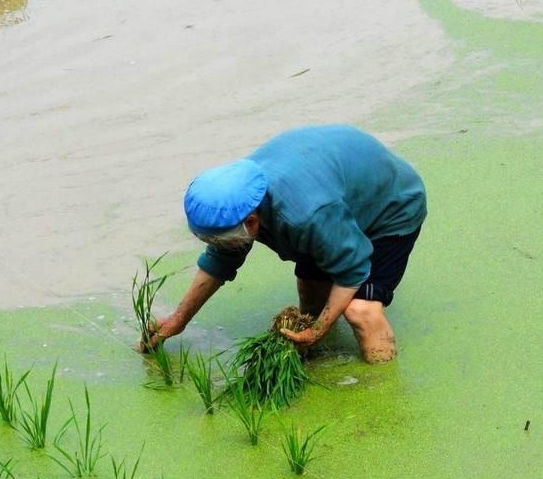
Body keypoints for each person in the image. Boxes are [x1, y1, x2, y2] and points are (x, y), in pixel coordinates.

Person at [145, 124, 427, 363]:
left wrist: (318, 329)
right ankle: (316, 355)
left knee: (360, 310)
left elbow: (352, 273)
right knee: (310, 291)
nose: (217, 245)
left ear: (253, 221)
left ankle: (378, 384)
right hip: (334, 201)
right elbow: (220, 260)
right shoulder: (236, 201)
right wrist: (178, 319)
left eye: (220, 240)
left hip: (390, 208)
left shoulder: (306, 216)